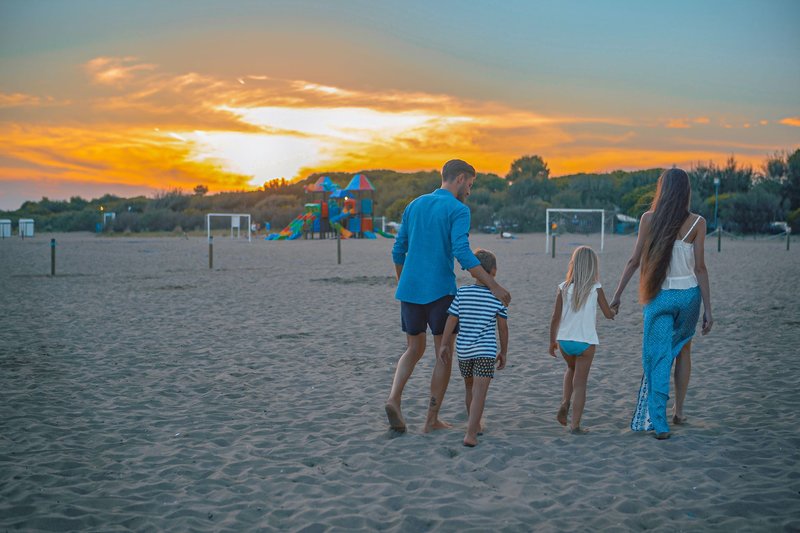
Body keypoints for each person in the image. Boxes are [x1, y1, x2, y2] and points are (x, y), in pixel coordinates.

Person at [386, 159, 512, 433]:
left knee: (413, 349)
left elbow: (398, 250)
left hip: (409, 291)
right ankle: (430, 420)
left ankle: (394, 398)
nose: (469, 190)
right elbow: (462, 253)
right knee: (443, 355)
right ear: (460, 178)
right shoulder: (458, 209)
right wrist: (493, 285)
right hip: (440, 291)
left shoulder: (414, 205)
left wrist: (405, 282)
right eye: (470, 184)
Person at [609, 168, 713, 440]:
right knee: (683, 349)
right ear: (686, 191)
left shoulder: (649, 219)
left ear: (662, 190)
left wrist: (618, 294)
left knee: (659, 355)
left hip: (659, 296)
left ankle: (660, 422)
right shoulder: (698, 222)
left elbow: (634, 261)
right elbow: (700, 268)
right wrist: (708, 310)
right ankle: (679, 411)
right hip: (689, 297)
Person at [438, 249, 509, 447]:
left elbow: (452, 319)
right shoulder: (498, 296)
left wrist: (444, 344)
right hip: (485, 351)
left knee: (469, 388)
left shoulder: (463, 292)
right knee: (480, 393)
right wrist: (504, 352)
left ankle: (475, 425)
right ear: (494, 270)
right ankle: (471, 433)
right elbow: (503, 328)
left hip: (464, 351)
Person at [548, 246, 616, 434]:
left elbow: (555, 317)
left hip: (565, 341)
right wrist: (614, 310)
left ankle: (565, 402)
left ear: (573, 264)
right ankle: (575, 425)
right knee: (580, 384)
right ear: (593, 266)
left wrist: (552, 341)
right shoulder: (596, 288)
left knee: (570, 369)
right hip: (585, 342)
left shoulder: (563, 287)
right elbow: (608, 314)